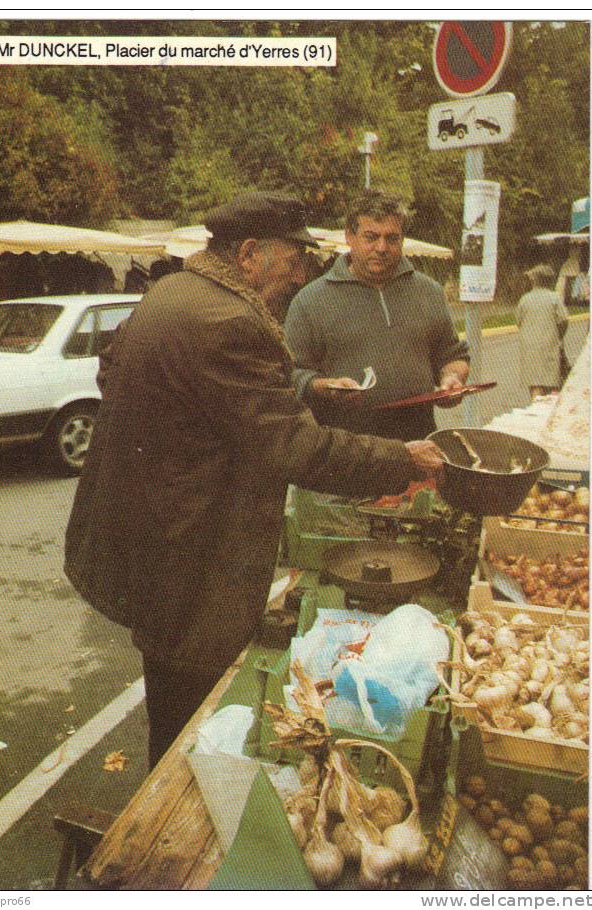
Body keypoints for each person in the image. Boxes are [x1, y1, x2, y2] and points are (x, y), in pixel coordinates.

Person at [64, 192, 444, 770]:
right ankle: (175, 816)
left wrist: (180, 441)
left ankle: (170, 782)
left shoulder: (173, 291)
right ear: (248, 254)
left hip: (151, 532)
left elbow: (111, 368)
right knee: (191, 703)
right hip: (188, 547)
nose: (300, 273)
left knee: (169, 680)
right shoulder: (228, 322)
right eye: (293, 259)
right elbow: (292, 446)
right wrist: (405, 459)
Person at [284, 189, 470, 442]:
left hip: (417, 445)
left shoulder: (429, 292)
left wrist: (452, 378)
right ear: (349, 236)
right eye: (371, 237)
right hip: (346, 453)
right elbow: (289, 377)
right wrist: (323, 387)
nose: (381, 248)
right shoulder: (310, 301)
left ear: (403, 239)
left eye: (392, 239)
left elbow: (452, 354)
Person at [516, 263, 569, 400]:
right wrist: (558, 335)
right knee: (552, 382)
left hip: (530, 347)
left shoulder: (525, 299)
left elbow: (518, 321)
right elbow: (563, 320)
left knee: (535, 384)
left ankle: (536, 408)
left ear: (534, 280)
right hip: (550, 344)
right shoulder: (554, 298)